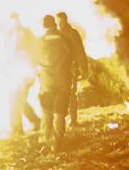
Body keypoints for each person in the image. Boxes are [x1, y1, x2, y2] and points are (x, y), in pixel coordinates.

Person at [36, 15, 73, 152]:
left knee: (46, 111)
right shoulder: (65, 40)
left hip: (46, 82)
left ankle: (46, 138)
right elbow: (71, 57)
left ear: (44, 26)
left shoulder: (39, 42)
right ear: (55, 25)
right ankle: (55, 142)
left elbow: (34, 59)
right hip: (63, 81)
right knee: (59, 112)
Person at [7, 14, 41, 136]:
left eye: (16, 22)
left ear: (19, 21)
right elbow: (6, 51)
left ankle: (18, 129)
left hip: (25, 71)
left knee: (18, 99)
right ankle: (32, 122)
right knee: (15, 99)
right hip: (13, 70)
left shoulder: (27, 34)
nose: (14, 24)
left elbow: (35, 49)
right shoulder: (9, 34)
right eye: (12, 22)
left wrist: (32, 65)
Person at [56, 12, 88, 127]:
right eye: (57, 21)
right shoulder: (58, 34)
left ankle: (73, 121)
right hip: (61, 69)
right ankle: (63, 121)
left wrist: (84, 68)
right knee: (65, 94)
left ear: (65, 20)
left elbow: (80, 51)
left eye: (60, 21)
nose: (59, 23)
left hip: (71, 68)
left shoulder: (72, 34)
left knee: (71, 95)